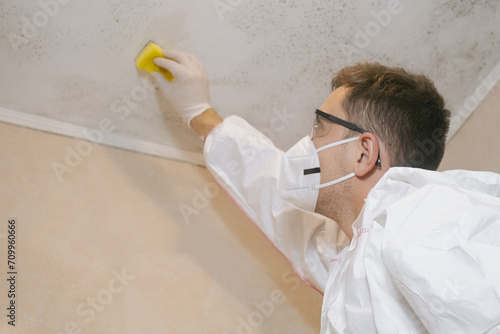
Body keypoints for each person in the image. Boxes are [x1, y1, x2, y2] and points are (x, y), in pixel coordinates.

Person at [150, 50, 500, 333]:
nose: (307, 143)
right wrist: (201, 114)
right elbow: (276, 196)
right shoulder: (355, 253)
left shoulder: (430, 220)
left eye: (319, 127)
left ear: (364, 153)